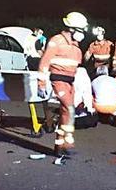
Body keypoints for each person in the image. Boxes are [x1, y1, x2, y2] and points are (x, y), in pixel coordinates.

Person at [38, 12, 88, 156]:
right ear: (71, 28)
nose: (82, 34)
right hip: (58, 80)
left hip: (70, 82)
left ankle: (60, 145)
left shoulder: (75, 45)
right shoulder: (57, 41)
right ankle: (68, 142)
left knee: (66, 112)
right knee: (69, 108)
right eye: (80, 30)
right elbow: (44, 62)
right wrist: (41, 83)